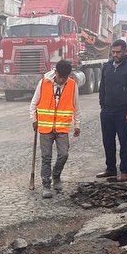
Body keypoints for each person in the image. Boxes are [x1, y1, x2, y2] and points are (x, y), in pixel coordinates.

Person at [30, 60, 81, 199]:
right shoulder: (44, 82)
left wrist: (77, 124)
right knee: (46, 157)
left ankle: (56, 175)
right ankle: (46, 185)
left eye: (66, 77)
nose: (63, 80)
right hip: (45, 127)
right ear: (56, 72)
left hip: (62, 127)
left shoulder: (72, 84)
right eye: (61, 77)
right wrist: (34, 120)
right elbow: (33, 104)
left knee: (63, 154)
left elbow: (76, 106)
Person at [97, 40, 127, 182]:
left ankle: (125, 171)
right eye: (113, 52)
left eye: (118, 52)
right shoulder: (107, 67)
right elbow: (102, 87)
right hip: (107, 111)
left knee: (124, 141)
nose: (115, 55)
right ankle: (110, 169)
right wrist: (102, 104)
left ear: (125, 51)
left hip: (123, 112)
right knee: (108, 141)